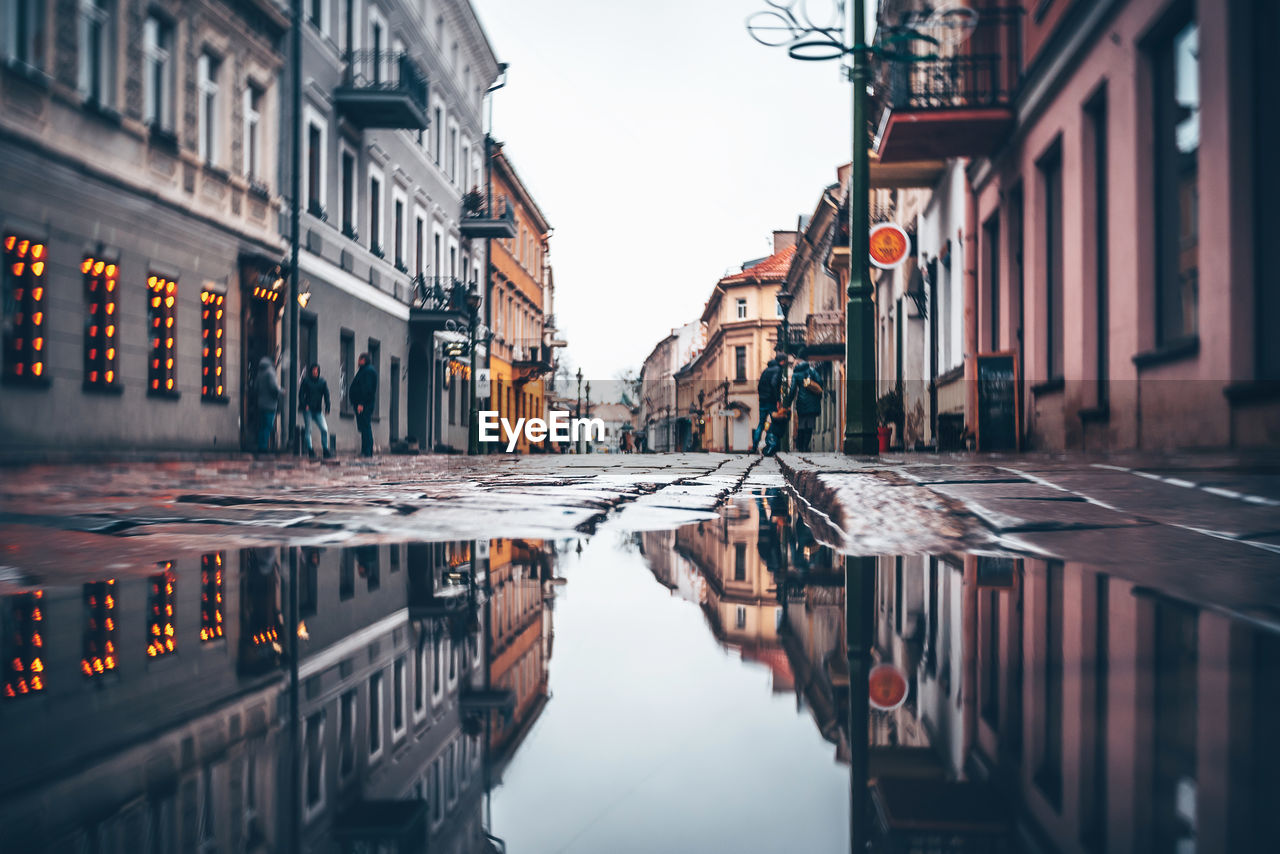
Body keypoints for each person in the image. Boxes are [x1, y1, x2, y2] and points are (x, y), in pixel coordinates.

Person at [786, 358, 824, 452]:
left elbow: (793, 389)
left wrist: (788, 402)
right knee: (810, 425)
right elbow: (820, 382)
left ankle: (801, 447)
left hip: (802, 402)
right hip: (813, 402)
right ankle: (806, 446)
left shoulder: (796, 374)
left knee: (802, 425)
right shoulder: (812, 370)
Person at [299, 363, 332, 459]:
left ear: (318, 371)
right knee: (308, 430)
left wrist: (327, 407)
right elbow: (301, 394)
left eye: (317, 370)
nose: (315, 372)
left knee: (324, 429)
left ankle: (325, 449)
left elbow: (326, 395)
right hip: (308, 409)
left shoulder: (322, 382)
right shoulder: (306, 381)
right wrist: (304, 405)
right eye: (313, 370)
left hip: (318, 410)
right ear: (311, 371)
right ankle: (310, 450)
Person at [348, 353, 378, 457]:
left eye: (359, 359)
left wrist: (361, 403)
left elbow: (366, 389)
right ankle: (365, 451)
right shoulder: (365, 370)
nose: (358, 362)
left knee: (365, 427)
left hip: (364, 404)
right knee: (364, 427)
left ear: (363, 360)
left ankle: (367, 452)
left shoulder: (368, 371)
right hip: (363, 404)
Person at [754, 355, 785, 453]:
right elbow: (774, 383)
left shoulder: (765, 371)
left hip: (762, 400)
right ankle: (772, 445)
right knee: (775, 423)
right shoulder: (778, 369)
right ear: (782, 361)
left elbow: (759, 386)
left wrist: (762, 397)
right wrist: (777, 400)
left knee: (761, 424)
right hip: (771, 401)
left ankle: (754, 447)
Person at [255, 355, 282, 452]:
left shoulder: (260, 372)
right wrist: (281, 390)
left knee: (262, 426)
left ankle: (260, 445)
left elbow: (256, 387)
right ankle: (264, 447)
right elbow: (274, 388)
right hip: (270, 404)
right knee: (268, 426)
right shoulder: (271, 372)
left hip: (261, 403)